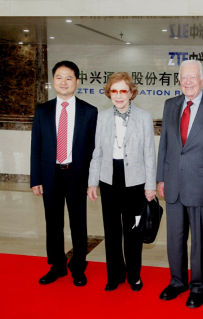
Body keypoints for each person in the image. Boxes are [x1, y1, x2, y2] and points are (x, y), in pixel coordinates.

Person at [156, 60, 203, 308]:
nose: (187, 82)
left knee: (200, 241)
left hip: (202, 186)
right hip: (174, 184)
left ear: (202, 79)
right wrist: (160, 177)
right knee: (174, 238)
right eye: (183, 78)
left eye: (192, 77)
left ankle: (198, 287)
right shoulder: (170, 105)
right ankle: (177, 282)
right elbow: (164, 145)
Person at [87, 72, 156, 292]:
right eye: (114, 91)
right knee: (112, 231)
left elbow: (149, 154)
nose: (118, 95)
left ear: (131, 93)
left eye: (123, 90)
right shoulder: (103, 117)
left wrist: (150, 185)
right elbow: (96, 152)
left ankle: (134, 275)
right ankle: (114, 274)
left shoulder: (144, 117)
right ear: (109, 93)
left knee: (133, 230)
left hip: (135, 182)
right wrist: (92, 182)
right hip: (109, 179)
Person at [30, 60, 98, 286]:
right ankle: (57, 266)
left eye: (69, 78)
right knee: (53, 223)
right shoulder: (43, 110)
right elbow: (36, 146)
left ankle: (78, 266)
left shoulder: (90, 112)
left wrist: (92, 181)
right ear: (53, 81)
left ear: (77, 82)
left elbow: (93, 150)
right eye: (59, 77)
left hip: (77, 174)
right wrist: (36, 178)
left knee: (78, 223)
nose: (64, 82)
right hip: (51, 174)